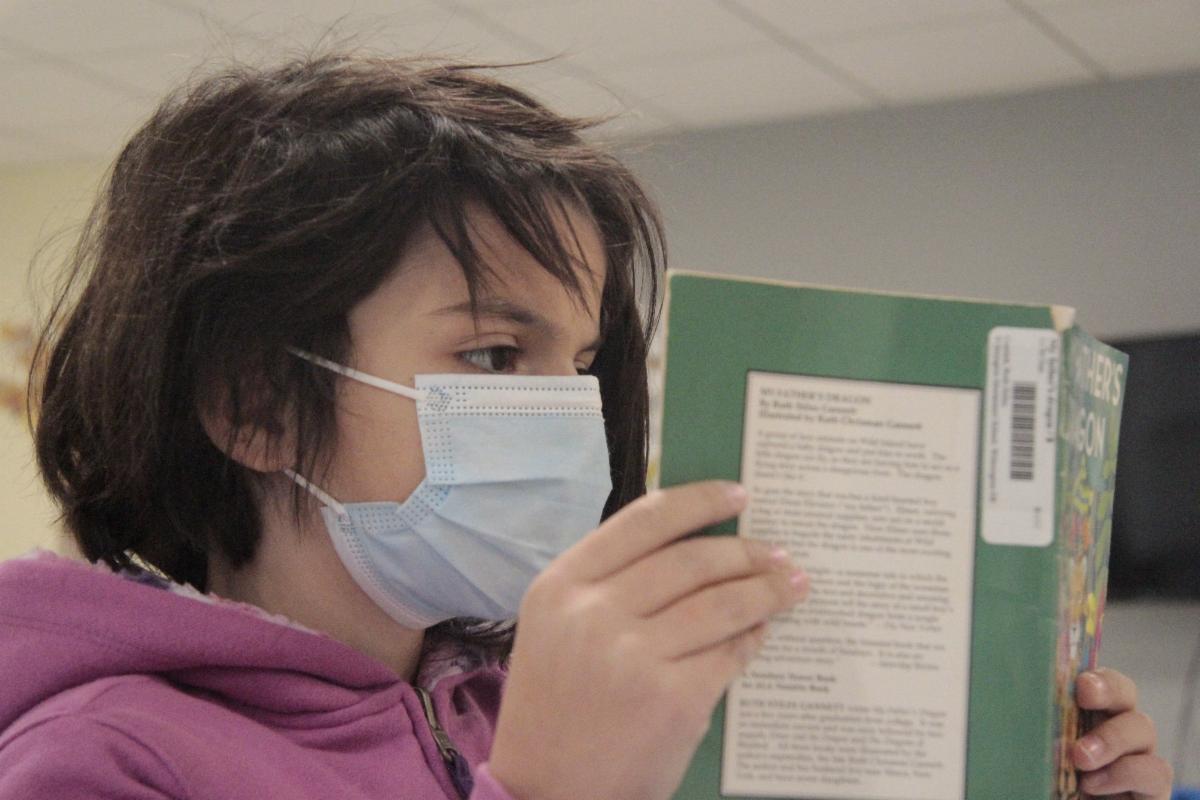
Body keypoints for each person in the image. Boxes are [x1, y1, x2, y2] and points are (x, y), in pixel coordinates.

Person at [0, 53, 1174, 800]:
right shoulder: (104, 758)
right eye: (492, 354)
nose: (568, 412)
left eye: (581, 363)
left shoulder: (543, 698)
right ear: (255, 402)